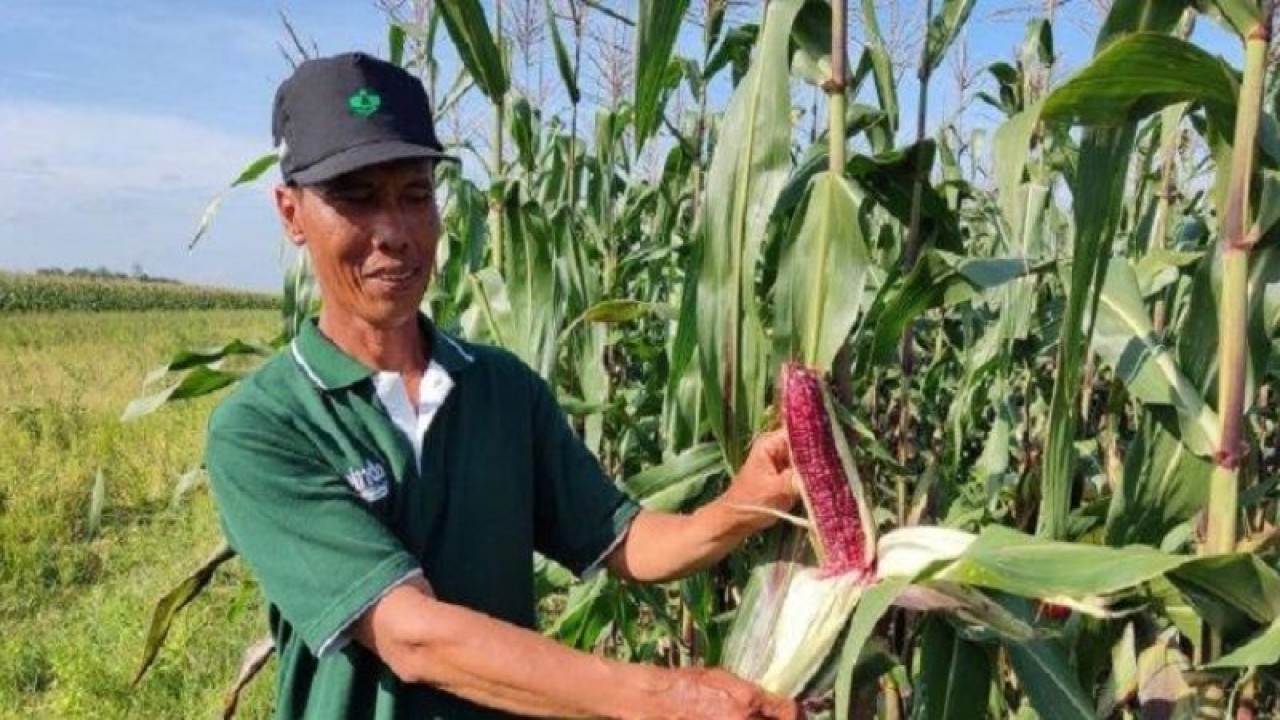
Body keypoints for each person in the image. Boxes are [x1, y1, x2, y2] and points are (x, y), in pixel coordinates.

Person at [206, 51, 801, 720]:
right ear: (291, 213)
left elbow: (620, 540)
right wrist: (663, 696)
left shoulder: (501, 389)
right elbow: (413, 637)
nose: (394, 233)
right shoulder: (266, 425)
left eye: (414, 195)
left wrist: (744, 505)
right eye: (356, 198)